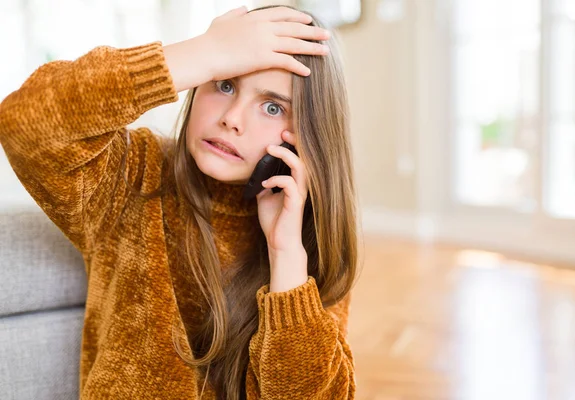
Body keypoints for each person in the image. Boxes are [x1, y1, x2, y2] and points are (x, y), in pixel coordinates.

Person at [0, 4, 360, 399]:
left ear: (308, 134)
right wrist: (203, 52)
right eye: (224, 84)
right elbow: (24, 121)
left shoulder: (308, 237)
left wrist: (286, 255)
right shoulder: (132, 174)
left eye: (272, 107)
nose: (232, 118)